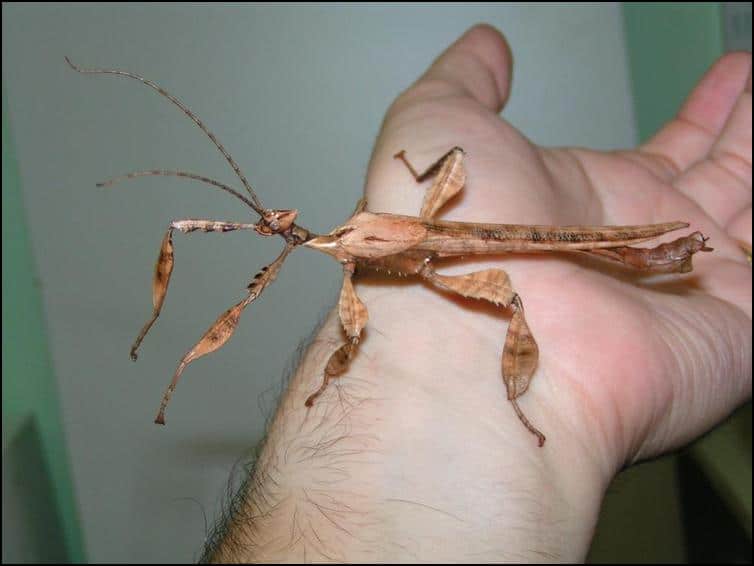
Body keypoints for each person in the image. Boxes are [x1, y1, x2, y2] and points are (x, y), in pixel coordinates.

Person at [202, 24, 752, 562]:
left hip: (471, 238)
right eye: (274, 226)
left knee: (559, 257)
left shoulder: (349, 242)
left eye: (275, 224)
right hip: (441, 242)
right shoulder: (348, 239)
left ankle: (518, 392)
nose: (275, 227)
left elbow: (356, 319)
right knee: (558, 256)